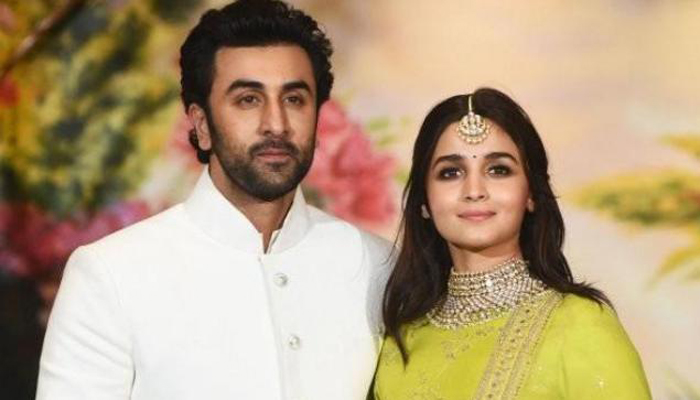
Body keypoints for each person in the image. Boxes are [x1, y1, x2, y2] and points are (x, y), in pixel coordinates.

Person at [37, 1, 392, 399]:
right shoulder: (111, 274)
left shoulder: (377, 265)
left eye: (294, 99)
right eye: (248, 99)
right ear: (202, 124)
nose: (276, 124)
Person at [372, 88, 651, 399]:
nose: (474, 190)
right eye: (450, 173)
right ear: (424, 201)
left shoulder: (580, 325)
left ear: (530, 194)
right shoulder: (399, 344)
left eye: (498, 170)